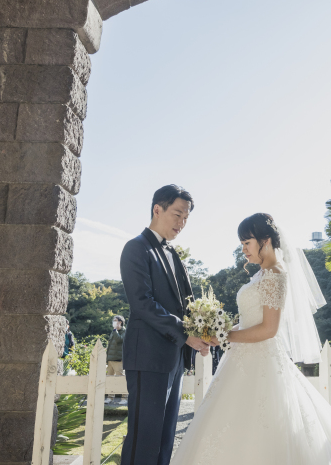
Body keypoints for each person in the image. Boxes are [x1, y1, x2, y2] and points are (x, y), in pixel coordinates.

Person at [171, 213, 331, 465]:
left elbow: (269, 329)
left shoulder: (275, 274)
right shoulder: (261, 274)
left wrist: (225, 335)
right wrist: (221, 331)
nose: (243, 249)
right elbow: (252, 321)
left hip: (263, 361)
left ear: (265, 240)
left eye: (247, 243)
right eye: (242, 243)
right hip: (242, 359)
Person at [120, 185, 212, 465]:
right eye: (177, 214)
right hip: (147, 358)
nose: (182, 223)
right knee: (143, 440)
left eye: (186, 218)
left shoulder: (174, 254)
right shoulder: (136, 248)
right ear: (157, 209)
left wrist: (204, 331)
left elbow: (185, 306)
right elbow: (142, 303)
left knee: (164, 440)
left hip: (173, 359)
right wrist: (186, 335)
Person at [105, 315, 126, 405]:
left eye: (115, 320)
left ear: (120, 322)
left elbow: (120, 340)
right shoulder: (113, 332)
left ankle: (124, 398)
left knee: (120, 379)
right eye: (113, 320)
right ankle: (110, 397)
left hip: (118, 359)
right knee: (110, 379)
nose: (114, 322)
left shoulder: (124, 331)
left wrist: (115, 331)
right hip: (111, 359)